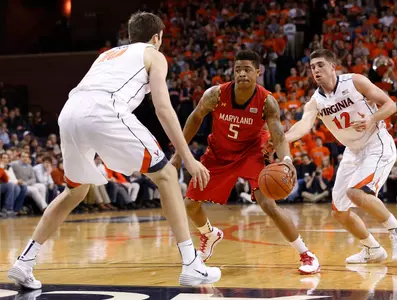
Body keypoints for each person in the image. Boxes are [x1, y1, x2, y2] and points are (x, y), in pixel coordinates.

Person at [8, 11, 221, 289]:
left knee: (75, 191)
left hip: (70, 111)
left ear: (131, 35)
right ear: (157, 37)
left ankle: (24, 263)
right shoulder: (154, 55)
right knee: (167, 175)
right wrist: (189, 158)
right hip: (105, 110)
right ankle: (192, 264)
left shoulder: (107, 54)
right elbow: (163, 109)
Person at [171, 50, 320, 274]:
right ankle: (210, 234)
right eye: (238, 69)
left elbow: (278, 135)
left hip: (252, 153)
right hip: (219, 153)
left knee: (268, 204)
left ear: (258, 73)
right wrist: (177, 155)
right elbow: (194, 118)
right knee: (190, 205)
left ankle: (306, 254)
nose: (242, 73)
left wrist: (287, 159)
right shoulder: (216, 95)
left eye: (247, 69)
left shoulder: (267, 101)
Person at [285, 49, 397, 264]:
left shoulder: (354, 81)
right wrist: (281, 139)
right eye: (312, 67)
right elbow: (303, 126)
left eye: (320, 65)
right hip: (352, 152)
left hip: (376, 142)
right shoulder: (315, 101)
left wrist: (372, 118)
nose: (316, 70)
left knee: (356, 192)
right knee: (339, 211)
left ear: (333, 66)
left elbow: (390, 105)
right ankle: (372, 248)